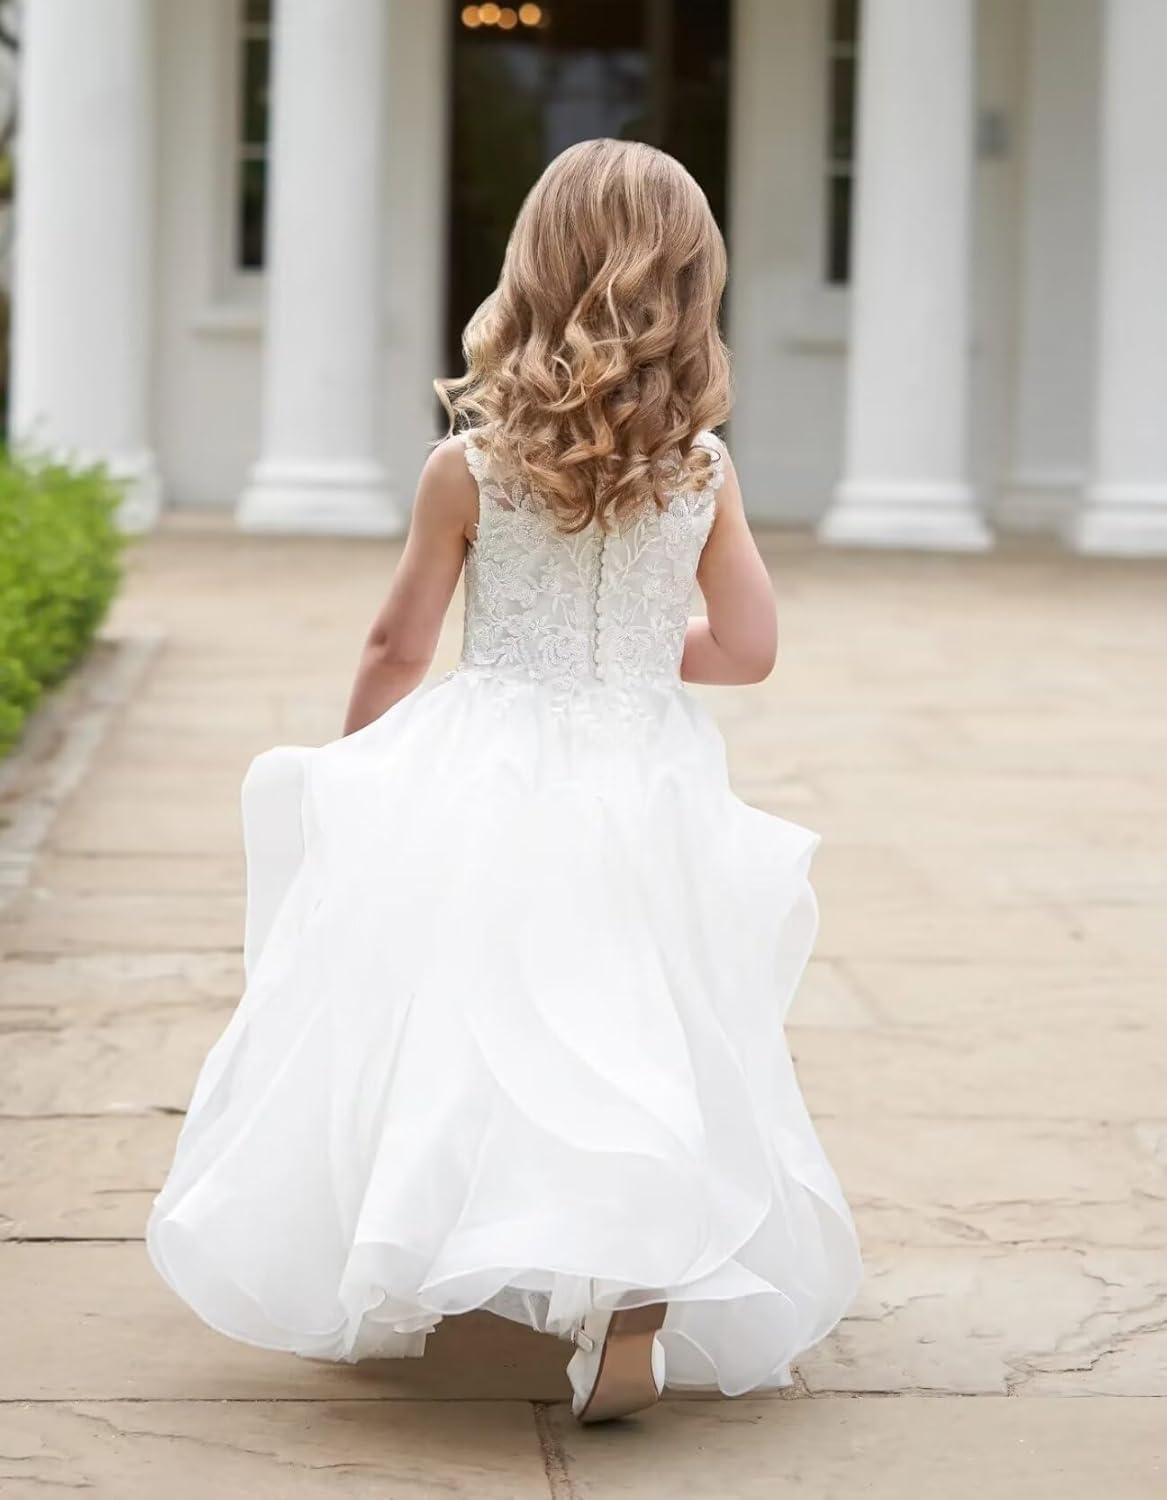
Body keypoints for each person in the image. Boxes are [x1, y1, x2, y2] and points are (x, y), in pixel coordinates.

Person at [147, 138, 862, 1426]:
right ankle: (642, 1280)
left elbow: (397, 646)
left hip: (483, 766)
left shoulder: (466, 469)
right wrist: (646, 655)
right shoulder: (701, 469)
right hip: (646, 771)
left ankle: (434, 1240)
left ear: (530, 273)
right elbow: (748, 651)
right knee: (649, 1018)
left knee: (468, 1020)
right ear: (692, 288)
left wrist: (356, 767)